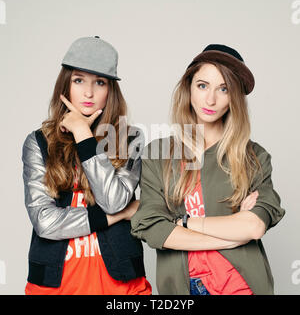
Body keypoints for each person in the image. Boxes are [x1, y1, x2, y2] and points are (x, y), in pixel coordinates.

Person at [131, 44, 285, 295]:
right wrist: (231, 234)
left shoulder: (254, 157)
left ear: (234, 98)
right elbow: (150, 226)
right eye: (202, 85)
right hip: (181, 288)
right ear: (189, 88)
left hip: (240, 285)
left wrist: (183, 222)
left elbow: (253, 227)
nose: (211, 99)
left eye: (223, 89)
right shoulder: (158, 154)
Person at [22, 36, 151, 295]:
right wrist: (116, 217)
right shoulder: (37, 142)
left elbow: (113, 199)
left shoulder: (130, 139)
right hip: (54, 285)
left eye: (100, 82)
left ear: (111, 90)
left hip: (121, 286)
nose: (88, 93)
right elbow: (45, 222)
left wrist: (83, 133)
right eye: (79, 80)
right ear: (65, 85)